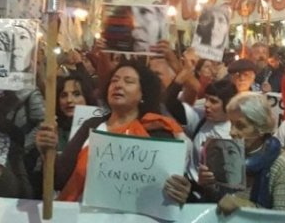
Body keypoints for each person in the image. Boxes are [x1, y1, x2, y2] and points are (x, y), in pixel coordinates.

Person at [35, 60, 191, 204]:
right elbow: (59, 179)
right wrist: (47, 151)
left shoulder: (157, 131)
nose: (118, 85)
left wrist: (180, 191)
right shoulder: (92, 126)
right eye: (114, 80)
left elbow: (172, 186)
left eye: (128, 81)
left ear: (143, 93)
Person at [198, 92, 285, 215]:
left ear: (261, 128)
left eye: (240, 126)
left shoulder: (283, 165)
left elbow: (283, 218)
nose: (232, 132)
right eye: (231, 124)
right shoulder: (229, 154)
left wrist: (246, 207)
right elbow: (219, 201)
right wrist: (208, 185)